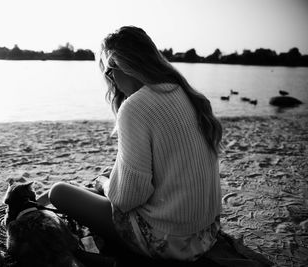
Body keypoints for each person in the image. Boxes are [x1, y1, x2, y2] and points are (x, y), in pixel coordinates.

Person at [37, 25, 223, 262]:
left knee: (58, 192)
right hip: (206, 233)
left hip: (170, 241)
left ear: (122, 65)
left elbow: (127, 199)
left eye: (109, 72)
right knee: (106, 179)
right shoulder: (187, 94)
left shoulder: (136, 107)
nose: (111, 81)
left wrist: (106, 185)